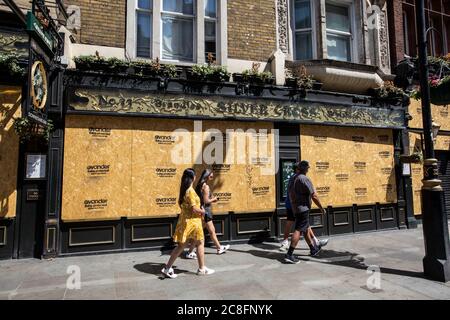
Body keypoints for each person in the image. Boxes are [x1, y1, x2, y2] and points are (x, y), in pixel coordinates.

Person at [161, 168, 215, 278]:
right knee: (200, 243)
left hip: (185, 222)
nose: (196, 177)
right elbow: (194, 209)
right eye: (194, 175)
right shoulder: (190, 191)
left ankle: (167, 268)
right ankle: (202, 269)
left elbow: (185, 206)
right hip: (193, 222)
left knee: (181, 246)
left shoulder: (184, 190)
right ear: (192, 178)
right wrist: (203, 211)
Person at [280, 163, 329, 253]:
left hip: (295, 207)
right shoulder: (303, 179)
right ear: (305, 169)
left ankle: (313, 247)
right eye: (307, 168)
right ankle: (289, 253)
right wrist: (321, 208)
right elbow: (314, 196)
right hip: (302, 208)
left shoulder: (292, 178)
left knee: (305, 227)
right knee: (298, 229)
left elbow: (290, 193)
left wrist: (293, 204)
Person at [185, 169, 230, 259]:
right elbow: (206, 201)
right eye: (211, 174)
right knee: (211, 231)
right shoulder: (206, 187)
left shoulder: (199, 185)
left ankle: (190, 251)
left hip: (202, 211)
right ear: (207, 175)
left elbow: (202, 199)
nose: (212, 176)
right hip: (205, 211)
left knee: (200, 233)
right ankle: (219, 248)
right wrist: (214, 199)